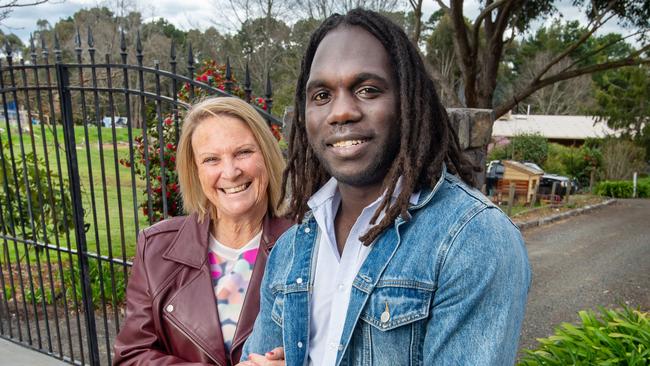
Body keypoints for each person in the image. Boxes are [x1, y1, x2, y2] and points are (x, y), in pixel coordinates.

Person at [241, 9, 531, 366]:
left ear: (408, 102)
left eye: (367, 90)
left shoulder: (473, 241)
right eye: (321, 95)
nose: (341, 112)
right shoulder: (290, 250)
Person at [113, 97, 292, 365]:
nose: (230, 172)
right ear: (195, 171)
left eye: (243, 152)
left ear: (267, 156)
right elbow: (130, 357)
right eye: (211, 159)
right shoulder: (156, 249)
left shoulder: (306, 244)